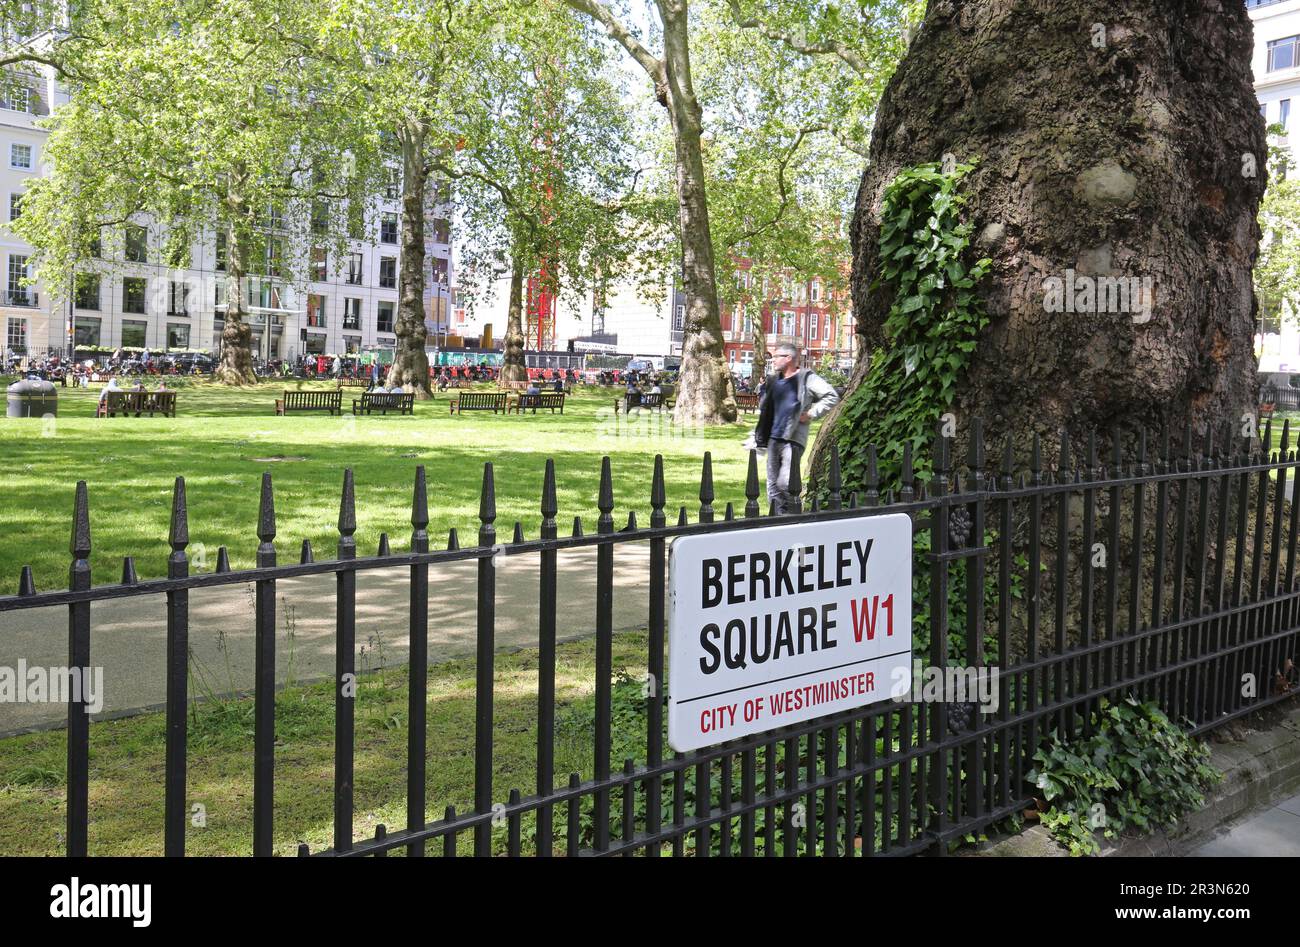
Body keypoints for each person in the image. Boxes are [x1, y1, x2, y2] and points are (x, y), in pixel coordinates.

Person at [752, 344, 839, 515]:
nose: (774, 360)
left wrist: (812, 413)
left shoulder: (806, 378)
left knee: (786, 483)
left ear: (789, 358)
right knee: (772, 486)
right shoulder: (774, 380)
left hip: (793, 439)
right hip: (773, 438)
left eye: (777, 356)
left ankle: (793, 515)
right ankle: (777, 521)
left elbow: (832, 395)